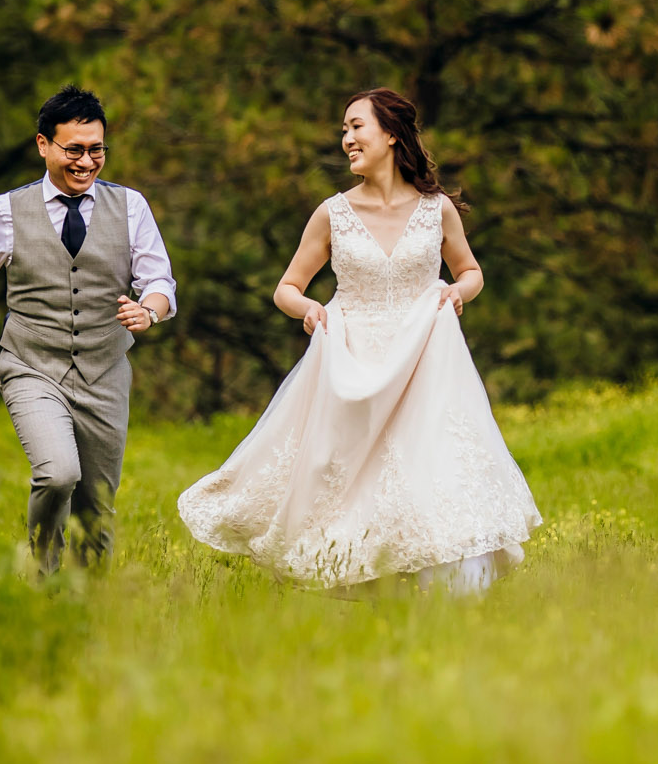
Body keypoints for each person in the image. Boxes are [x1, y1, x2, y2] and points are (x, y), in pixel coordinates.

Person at [177, 88, 540, 593]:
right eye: (343, 131)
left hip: (426, 359)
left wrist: (457, 293)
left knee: (431, 462)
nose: (346, 139)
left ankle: (450, 585)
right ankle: (364, 578)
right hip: (353, 359)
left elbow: (471, 270)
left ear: (390, 134)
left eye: (356, 127)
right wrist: (310, 310)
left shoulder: (437, 210)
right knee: (354, 474)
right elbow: (287, 288)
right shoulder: (333, 213)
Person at [0, 85, 178, 571]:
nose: (86, 162)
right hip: (32, 365)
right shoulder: (7, 212)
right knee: (57, 475)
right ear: (43, 145)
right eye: (74, 149)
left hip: (106, 371)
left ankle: (89, 607)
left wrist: (149, 310)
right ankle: (43, 577)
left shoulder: (131, 206)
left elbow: (159, 280)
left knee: (96, 505)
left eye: (97, 150)